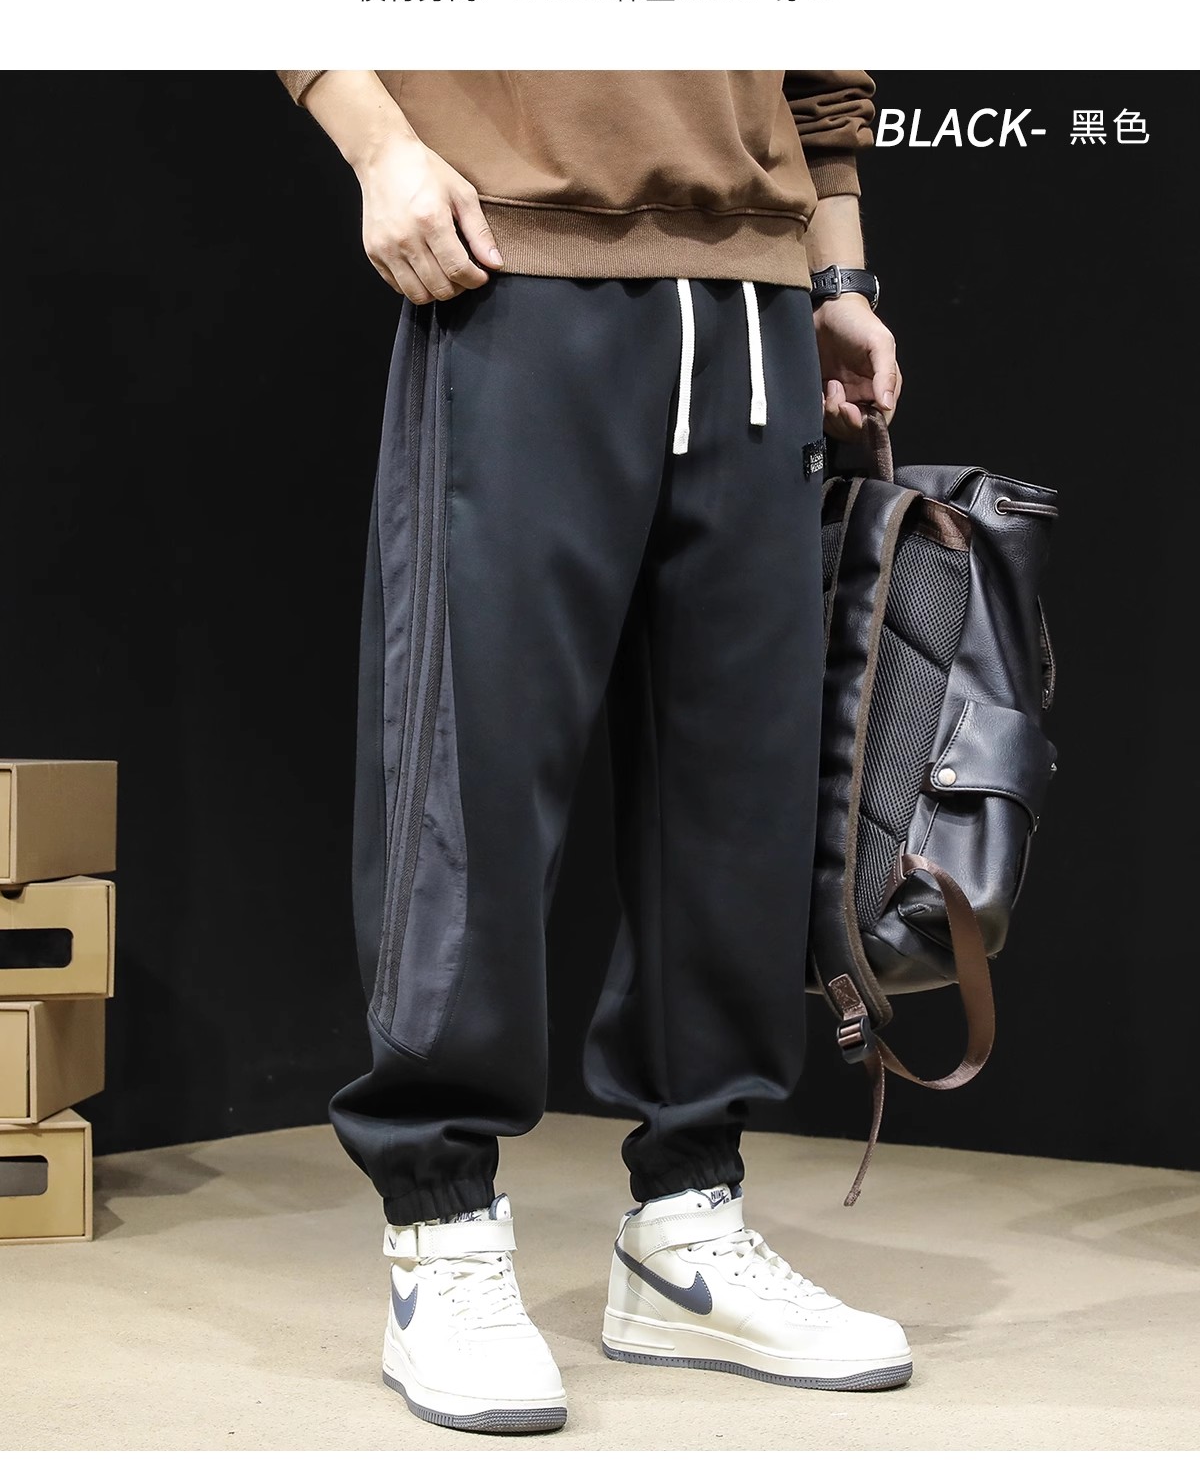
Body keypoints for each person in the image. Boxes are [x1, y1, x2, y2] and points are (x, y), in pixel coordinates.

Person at [277, 69, 909, 1435]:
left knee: (734, 787)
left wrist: (836, 271)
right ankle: (440, 1229)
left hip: (754, 301)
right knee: (475, 767)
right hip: (514, 265)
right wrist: (379, 147)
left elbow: (819, 52)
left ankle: (688, 1222)